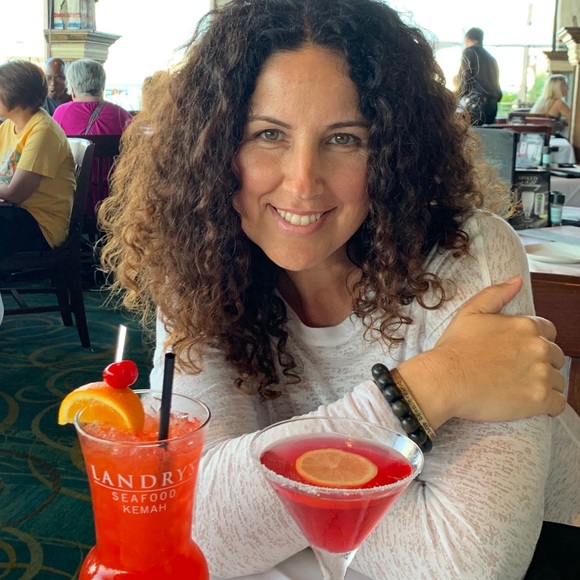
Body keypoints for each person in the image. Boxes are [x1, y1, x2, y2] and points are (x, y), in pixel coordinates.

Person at [99, 1, 580, 578]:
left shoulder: (470, 254)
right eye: (268, 134)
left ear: (394, 152)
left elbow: (462, 562)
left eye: (345, 139)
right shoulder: (196, 264)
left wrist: (255, 499)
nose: (303, 181)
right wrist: (426, 388)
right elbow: (196, 526)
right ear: (214, 149)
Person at [0, 60, 76, 262]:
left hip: (40, 223)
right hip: (14, 214)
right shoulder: (8, 126)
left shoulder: (43, 130)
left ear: (14, 93)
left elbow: (16, 193)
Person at [53, 58, 132, 224]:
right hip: (114, 200)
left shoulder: (61, 113)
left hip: (74, 200)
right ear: (102, 86)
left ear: (72, 88)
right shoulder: (121, 115)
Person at [457, 27, 502, 126]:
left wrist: (456, 97)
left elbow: (465, 78)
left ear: (467, 39)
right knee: (487, 133)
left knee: (472, 133)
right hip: (492, 105)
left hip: (476, 104)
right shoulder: (492, 59)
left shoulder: (469, 52)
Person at [530, 74, 572, 139]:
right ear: (558, 88)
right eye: (565, 86)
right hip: (549, 138)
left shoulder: (542, 101)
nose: (568, 88)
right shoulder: (558, 103)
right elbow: (575, 121)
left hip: (537, 137)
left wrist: (561, 122)